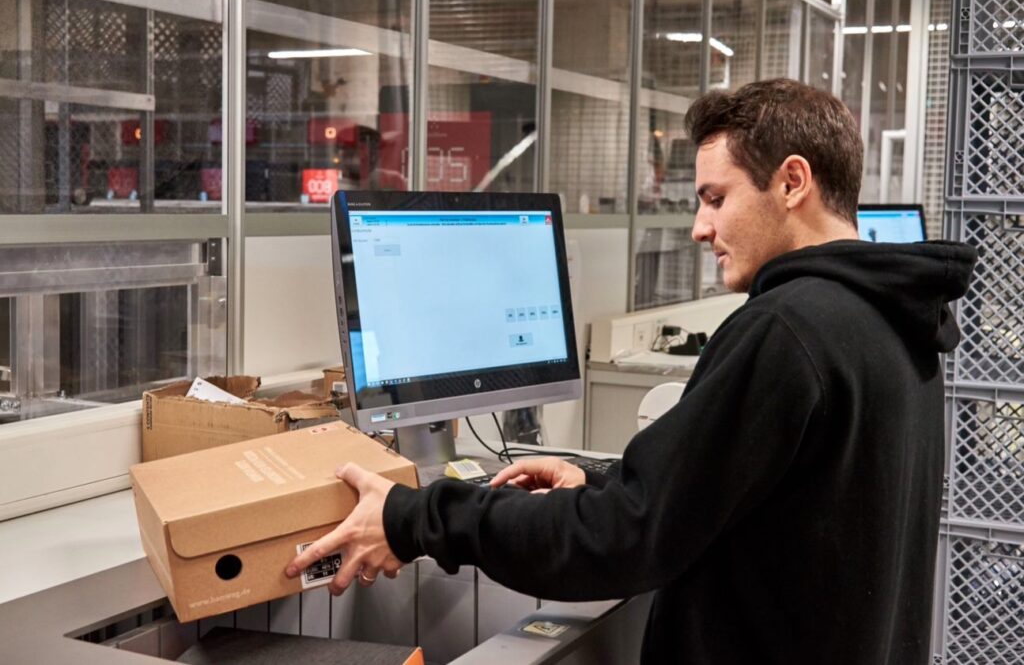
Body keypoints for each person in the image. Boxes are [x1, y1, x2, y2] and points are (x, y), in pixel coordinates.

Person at [286, 78, 977, 664]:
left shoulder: (789, 330)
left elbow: (620, 538)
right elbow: (764, 497)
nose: (699, 228)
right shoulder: (892, 318)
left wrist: (414, 518)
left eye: (714, 197)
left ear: (792, 181)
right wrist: (604, 480)